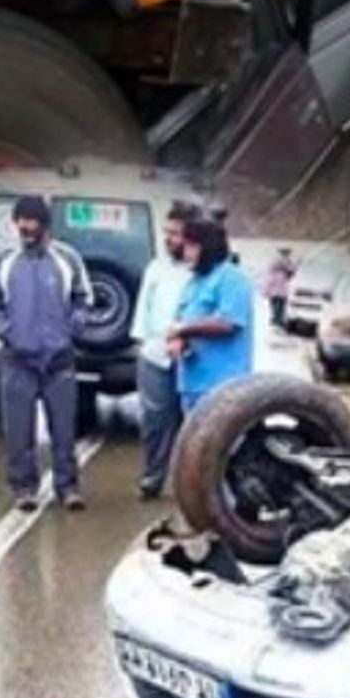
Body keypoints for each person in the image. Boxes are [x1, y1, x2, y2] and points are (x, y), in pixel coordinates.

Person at [0, 195, 92, 512]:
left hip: (60, 362)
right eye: (21, 221)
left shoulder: (67, 258)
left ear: (44, 224)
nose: (25, 227)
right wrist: (8, 332)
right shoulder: (3, 259)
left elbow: (83, 299)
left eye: (32, 221)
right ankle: (24, 489)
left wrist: (71, 331)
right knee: (18, 431)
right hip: (17, 361)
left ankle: (68, 488)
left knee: (64, 430)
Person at [130, 200, 199, 500]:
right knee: (155, 422)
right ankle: (152, 477)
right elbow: (143, 312)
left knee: (193, 423)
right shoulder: (156, 268)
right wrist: (142, 346)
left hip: (194, 358)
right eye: (166, 232)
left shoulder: (204, 272)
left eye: (175, 233)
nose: (168, 238)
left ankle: (191, 484)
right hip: (156, 356)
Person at [169, 218, 254, 412]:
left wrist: (184, 328)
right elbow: (178, 320)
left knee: (221, 442)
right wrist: (176, 338)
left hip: (222, 386)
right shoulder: (194, 282)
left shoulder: (231, 278)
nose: (186, 252)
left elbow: (229, 323)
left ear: (207, 247)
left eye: (192, 246)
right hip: (191, 383)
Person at [264, 246, 298, 330]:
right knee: (276, 303)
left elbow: (290, 274)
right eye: (284, 253)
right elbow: (289, 272)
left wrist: (294, 266)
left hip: (280, 287)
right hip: (276, 286)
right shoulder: (280, 261)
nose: (285, 255)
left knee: (279, 303)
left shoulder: (288, 262)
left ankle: (278, 319)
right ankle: (277, 319)